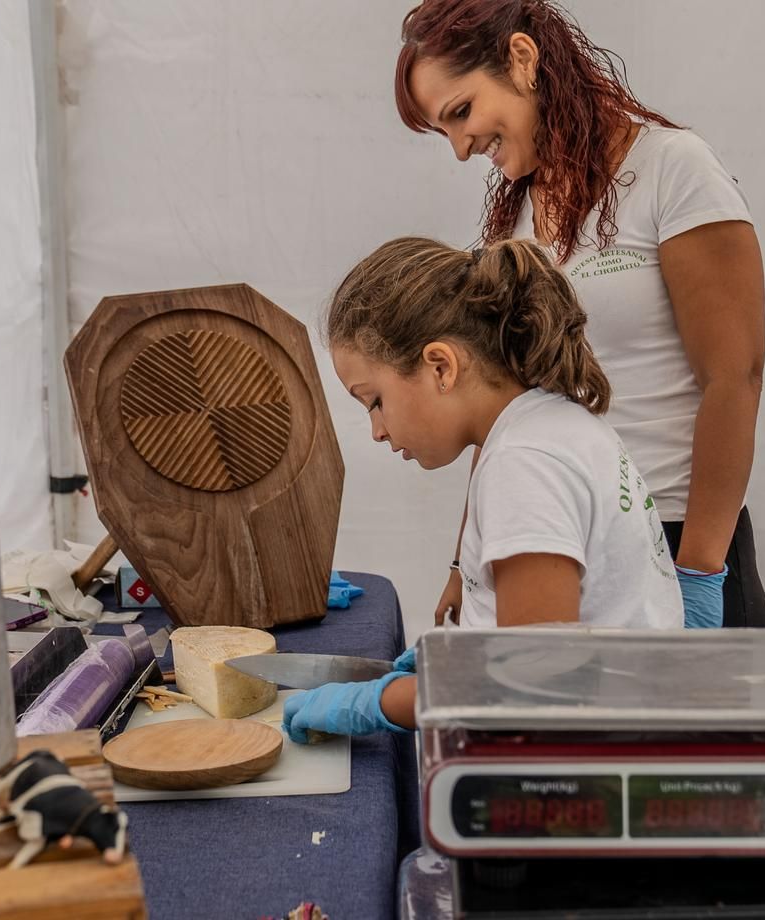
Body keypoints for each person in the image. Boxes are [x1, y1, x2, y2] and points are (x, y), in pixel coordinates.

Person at [395, 0, 765, 630]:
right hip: (559, 532)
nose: (461, 148)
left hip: (675, 536)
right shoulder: (513, 223)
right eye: (445, 130)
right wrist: (467, 556)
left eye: (461, 112)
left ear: (521, 60)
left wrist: (700, 573)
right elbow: (504, 404)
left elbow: (736, 379)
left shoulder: (672, 171)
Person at [283, 236, 682, 742]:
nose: (377, 431)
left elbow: (526, 689)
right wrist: (466, 651)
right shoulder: (552, 425)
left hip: (577, 773)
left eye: (375, 401)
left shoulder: (525, 465)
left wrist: (378, 700)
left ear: (441, 367)